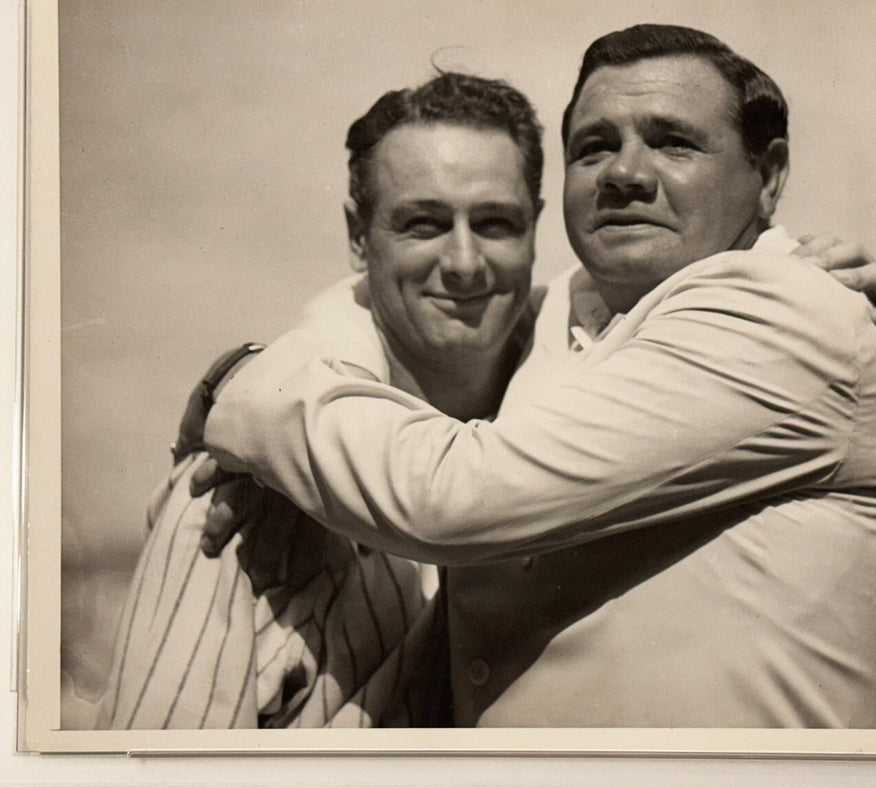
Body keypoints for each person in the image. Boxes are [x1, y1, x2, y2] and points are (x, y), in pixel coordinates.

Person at [201, 24, 876, 728]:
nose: (625, 174)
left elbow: (453, 496)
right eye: (594, 147)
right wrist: (254, 414)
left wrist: (248, 387)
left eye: (672, 142)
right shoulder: (562, 312)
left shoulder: (781, 308)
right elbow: (371, 311)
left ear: (767, 177)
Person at [96, 72, 545, 728]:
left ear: (537, 225)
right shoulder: (238, 495)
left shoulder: (580, 417)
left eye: (496, 222)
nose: (465, 261)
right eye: (423, 223)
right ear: (359, 237)